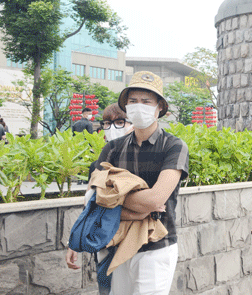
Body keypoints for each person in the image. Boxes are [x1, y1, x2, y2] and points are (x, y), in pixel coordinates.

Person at [67, 71, 189, 294]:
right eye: (133, 101)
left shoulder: (174, 146)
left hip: (156, 247)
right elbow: (93, 199)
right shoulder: (112, 148)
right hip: (115, 244)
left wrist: (114, 200)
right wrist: (138, 211)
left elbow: (155, 199)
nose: (138, 106)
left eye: (146, 101)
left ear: (160, 107)